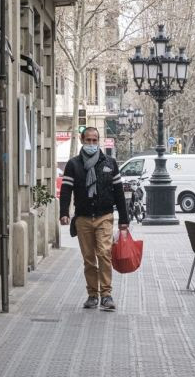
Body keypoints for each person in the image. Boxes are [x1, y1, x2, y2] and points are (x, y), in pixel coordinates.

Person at [59, 127, 129, 310]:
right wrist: (64, 213)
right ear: (82, 140)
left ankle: (106, 294)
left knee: (104, 253)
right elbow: (66, 190)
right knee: (89, 258)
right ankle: (92, 294)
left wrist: (124, 219)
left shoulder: (110, 163)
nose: (91, 143)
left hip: (104, 216)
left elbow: (119, 193)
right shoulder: (73, 164)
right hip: (83, 218)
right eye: (88, 140)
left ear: (99, 141)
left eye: (94, 140)